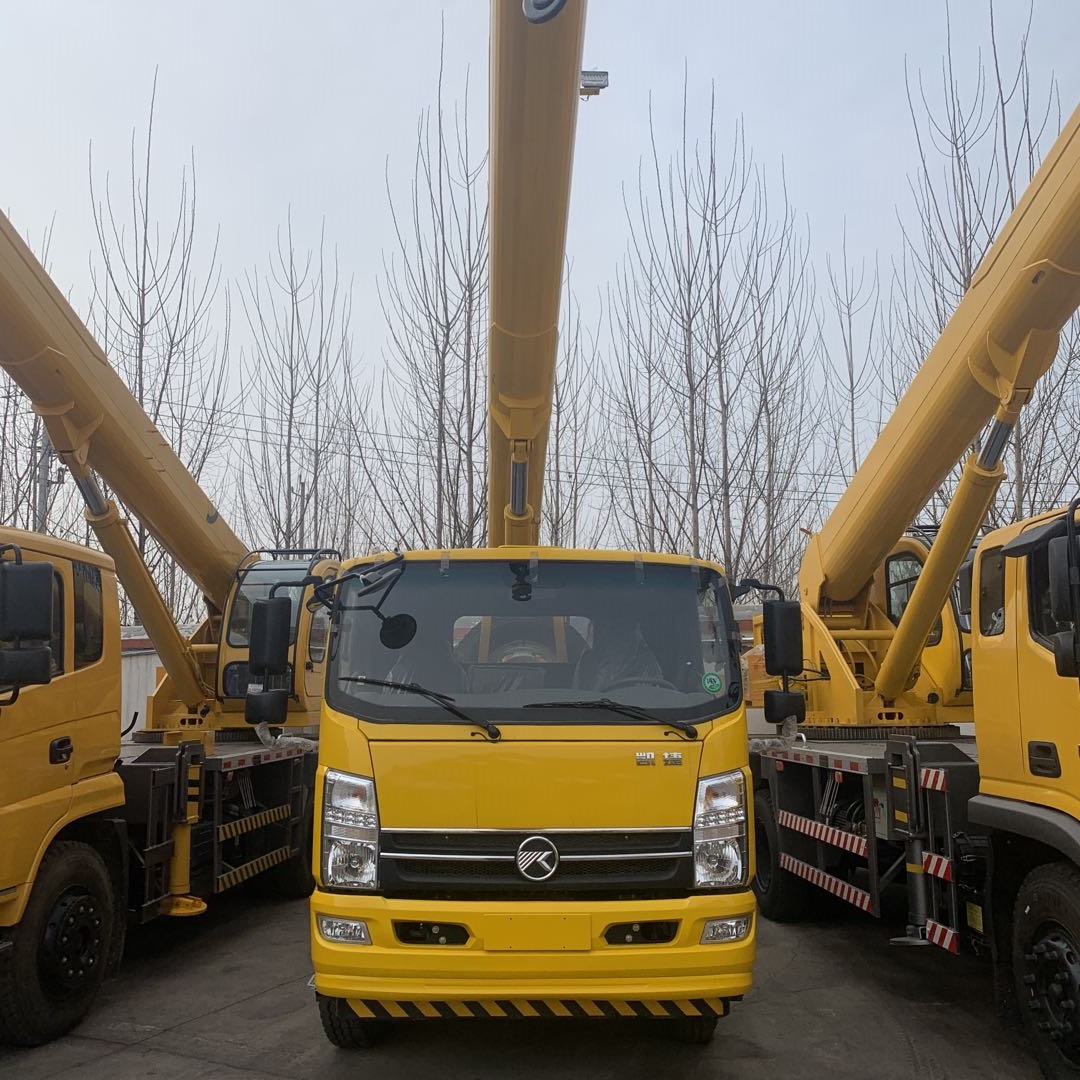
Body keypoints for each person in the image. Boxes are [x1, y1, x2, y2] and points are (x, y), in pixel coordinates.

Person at [574, 616, 664, 691]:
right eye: (611, 629)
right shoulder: (589, 661)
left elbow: (656, 696)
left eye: (624, 629)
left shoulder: (647, 662)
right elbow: (579, 697)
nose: (620, 636)